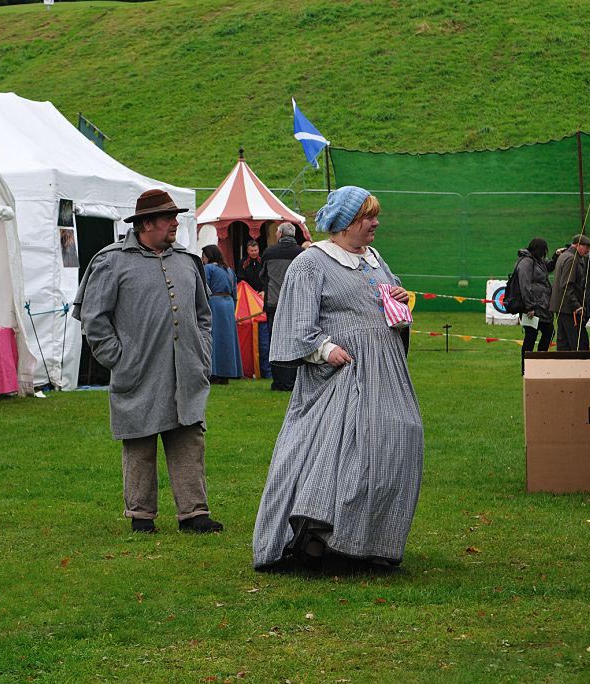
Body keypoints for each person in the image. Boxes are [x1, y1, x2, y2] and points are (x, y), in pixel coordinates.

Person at [252, 186, 424, 571]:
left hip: (386, 373)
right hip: (340, 376)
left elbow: (389, 305)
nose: (376, 223)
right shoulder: (311, 263)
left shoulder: (375, 259)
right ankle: (319, 539)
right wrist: (325, 349)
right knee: (348, 455)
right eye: (368, 217)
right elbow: (294, 325)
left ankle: (370, 540)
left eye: (375, 215)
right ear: (346, 222)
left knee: (399, 441)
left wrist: (399, 298)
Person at [73, 188, 223, 535]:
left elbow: (203, 315)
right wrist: (118, 358)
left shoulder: (187, 261)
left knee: (189, 437)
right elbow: (94, 318)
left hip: (186, 368)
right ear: (147, 223)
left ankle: (194, 513)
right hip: (137, 370)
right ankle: (141, 515)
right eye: (168, 218)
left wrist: (202, 353)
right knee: (138, 439)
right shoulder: (111, 261)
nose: (175, 223)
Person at [260, 222, 304, 391]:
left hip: (274, 304)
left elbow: (262, 276)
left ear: (279, 235)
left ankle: (279, 381)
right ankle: (293, 381)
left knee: (276, 343)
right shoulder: (302, 253)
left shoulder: (269, 253)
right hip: (296, 306)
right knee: (295, 342)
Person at [202, 245, 243, 384]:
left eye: (204, 256)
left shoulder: (209, 268)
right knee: (227, 339)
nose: (202, 259)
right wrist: (232, 307)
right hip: (228, 304)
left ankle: (214, 372)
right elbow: (234, 292)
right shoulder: (229, 270)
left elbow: (204, 288)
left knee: (214, 337)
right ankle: (227, 372)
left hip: (215, 303)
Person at [514, 237, 554, 373]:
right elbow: (524, 285)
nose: (544, 254)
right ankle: (527, 367)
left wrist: (555, 257)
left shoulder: (536, 261)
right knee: (532, 336)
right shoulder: (526, 262)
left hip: (540, 306)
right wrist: (529, 307)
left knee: (547, 332)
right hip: (531, 308)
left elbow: (546, 268)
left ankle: (536, 364)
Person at [551, 233, 590, 352]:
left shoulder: (564, 256)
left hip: (561, 307)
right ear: (577, 245)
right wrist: (577, 306)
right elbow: (567, 285)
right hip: (569, 309)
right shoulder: (572, 259)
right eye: (585, 246)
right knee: (579, 344)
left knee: (564, 344)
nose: (588, 250)